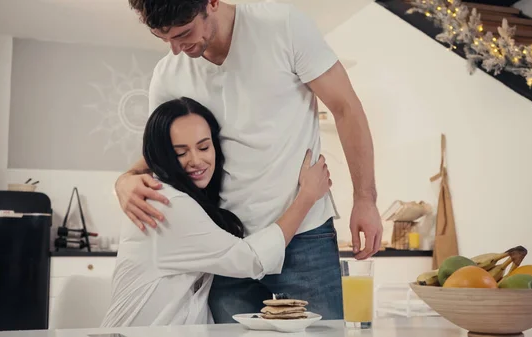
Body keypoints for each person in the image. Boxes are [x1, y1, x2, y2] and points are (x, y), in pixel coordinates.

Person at [115, 0, 383, 322]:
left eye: (184, 33)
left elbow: (346, 108)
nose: (175, 50)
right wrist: (126, 178)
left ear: (211, 3)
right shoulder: (168, 73)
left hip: (304, 236)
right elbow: (162, 149)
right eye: (164, 39)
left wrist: (365, 199)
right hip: (225, 243)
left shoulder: (283, 26)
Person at [101, 97, 331, 326]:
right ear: (161, 156)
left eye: (203, 147)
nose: (196, 160)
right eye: (180, 153)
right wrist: (307, 196)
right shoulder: (167, 204)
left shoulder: (182, 199)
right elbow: (250, 260)